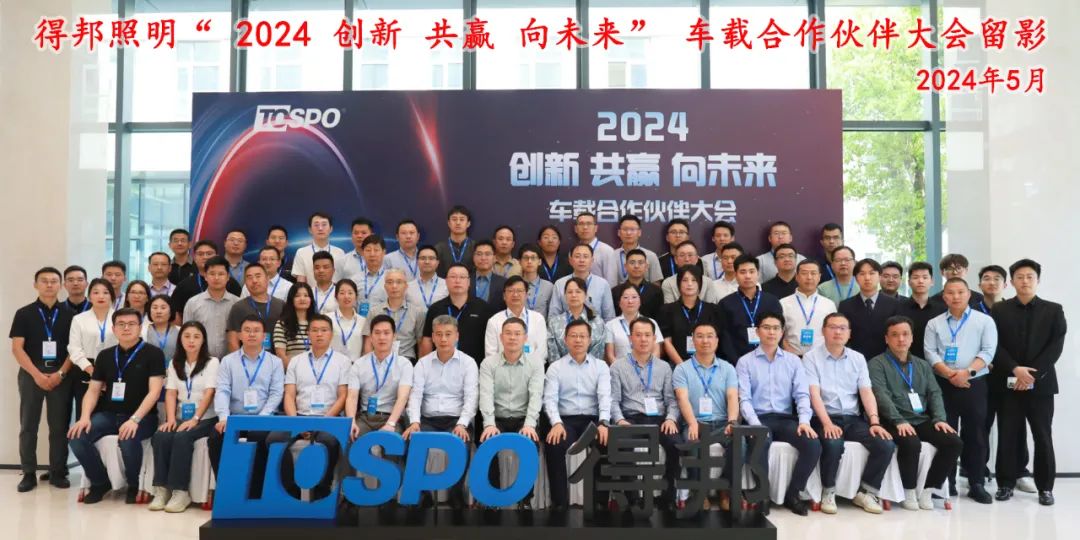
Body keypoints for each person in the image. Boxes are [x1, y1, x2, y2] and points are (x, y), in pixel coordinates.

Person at [68, 308, 165, 504]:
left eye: (131, 324)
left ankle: (133, 484)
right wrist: (84, 417)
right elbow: (93, 390)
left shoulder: (153, 353)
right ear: (114, 329)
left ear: (140, 327)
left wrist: (134, 419)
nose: (126, 328)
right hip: (109, 414)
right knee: (76, 436)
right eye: (121, 324)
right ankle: (99, 482)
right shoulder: (105, 355)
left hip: (143, 417)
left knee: (127, 438)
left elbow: (154, 392)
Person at [991, 259, 1065, 506]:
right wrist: (1015, 369)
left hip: (1041, 385)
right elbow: (994, 345)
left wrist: (1031, 374)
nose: (1025, 281)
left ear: (1038, 280)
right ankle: (1005, 483)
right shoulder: (999, 310)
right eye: (1020, 277)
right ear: (1012, 282)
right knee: (1008, 434)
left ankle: (1045, 488)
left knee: (1043, 436)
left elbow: (1055, 346)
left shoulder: (1053, 310)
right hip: (1008, 382)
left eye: (1030, 276)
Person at [803, 313, 895, 515]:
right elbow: (813, 394)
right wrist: (827, 423)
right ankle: (828, 490)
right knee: (833, 443)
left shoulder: (857, 358)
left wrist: (874, 422)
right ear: (823, 331)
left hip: (853, 418)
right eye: (833, 327)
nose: (838, 332)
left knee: (885, 444)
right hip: (823, 417)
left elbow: (866, 392)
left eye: (843, 328)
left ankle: (866, 492)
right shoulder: (811, 357)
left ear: (849, 333)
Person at [868, 316, 961, 511]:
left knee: (953, 442)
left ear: (912, 338)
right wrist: (898, 420)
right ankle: (908, 491)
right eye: (895, 335)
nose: (901, 339)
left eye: (905, 334)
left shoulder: (922, 365)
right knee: (910, 442)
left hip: (920, 418)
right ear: (886, 339)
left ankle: (928, 489)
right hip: (892, 420)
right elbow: (880, 395)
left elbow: (934, 393)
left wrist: (940, 419)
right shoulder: (877, 364)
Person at [736, 312, 821, 516]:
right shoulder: (745, 362)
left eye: (776, 328)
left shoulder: (793, 361)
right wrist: (755, 424)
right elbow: (744, 399)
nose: (771, 332)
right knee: (761, 441)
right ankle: (762, 494)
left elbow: (802, 394)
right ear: (757, 331)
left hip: (785, 418)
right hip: (757, 417)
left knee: (813, 445)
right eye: (766, 327)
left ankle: (793, 494)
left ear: (782, 332)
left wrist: (804, 421)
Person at [924, 278, 996, 504]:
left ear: (969, 294)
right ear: (944, 296)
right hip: (943, 384)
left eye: (960, 292)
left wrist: (967, 373)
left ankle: (976, 483)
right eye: (950, 293)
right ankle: (947, 483)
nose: (955, 297)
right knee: (946, 433)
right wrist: (950, 374)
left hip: (974, 383)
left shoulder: (984, 321)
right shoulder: (934, 323)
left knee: (976, 434)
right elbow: (930, 352)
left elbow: (988, 351)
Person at [10, 267, 76, 492]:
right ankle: (28, 473)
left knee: (59, 426)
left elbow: (74, 349)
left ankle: (58, 471)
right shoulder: (24, 313)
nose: (49, 285)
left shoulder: (71, 315)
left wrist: (61, 374)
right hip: (32, 375)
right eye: (44, 281)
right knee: (28, 425)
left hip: (61, 375)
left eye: (54, 281)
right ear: (35, 285)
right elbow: (17, 348)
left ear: (61, 285)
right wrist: (37, 375)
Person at [404, 315, 479, 509]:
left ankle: (456, 493)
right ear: (433, 337)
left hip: (456, 420)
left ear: (457, 336)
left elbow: (471, 398)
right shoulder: (422, 363)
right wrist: (414, 422)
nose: (443, 339)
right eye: (439, 334)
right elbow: (415, 396)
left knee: (462, 444)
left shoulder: (468, 363)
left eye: (448, 334)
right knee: (410, 442)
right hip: (427, 419)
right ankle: (423, 493)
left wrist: (462, 424)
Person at [208, 315, 285, 497]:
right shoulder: (228, 361)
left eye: (256, 331)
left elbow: (276, 393)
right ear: (240, 335)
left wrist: (262, 418)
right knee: (216, 437)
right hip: (235, 417)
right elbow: (223, 391)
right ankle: (226, 490)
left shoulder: (275, 362)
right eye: (247, 330)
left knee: (259, 437)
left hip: (264, 418)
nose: (251, 334)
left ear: (264, 336)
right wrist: (223, 418)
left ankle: (255, 493)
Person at [274, 315, 349, 498]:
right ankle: (291, 491)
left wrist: (323, 422)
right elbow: (289, 395)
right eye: (314, 330)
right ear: (308, 334)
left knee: (329, 441)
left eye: (324, 330)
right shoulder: (296, 361)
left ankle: (322, 490)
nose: (319, 334)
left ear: (331, 334)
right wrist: (296, 423)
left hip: (329, 417)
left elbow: (342, 396)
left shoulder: (343, 361)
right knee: (274, 439)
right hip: (299, 415)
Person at [149, 321, 219, 513]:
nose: (191, 341)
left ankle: (180, 491)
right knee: (161, 436)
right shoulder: (175, 363)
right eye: (187, 336)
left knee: (182, 437)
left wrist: (195, 419)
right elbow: (171, 393)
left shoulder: (212, 362)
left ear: (203, 340)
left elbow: (210, 393)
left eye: (196, 337)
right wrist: (171, 419)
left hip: (205, 418)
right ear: (180, 339)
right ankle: (161, 489)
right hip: (180, 417)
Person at [610, 317, 680, 507]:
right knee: (622, 443)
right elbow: (613, 400)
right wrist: (619, 420)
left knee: (676, 444)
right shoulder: (618, 366)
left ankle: (668, 495)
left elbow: (671, 400)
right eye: (638, 335)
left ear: (654, 338)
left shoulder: (664, 367)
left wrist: (671, 419)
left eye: (647, 335)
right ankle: (632, 496)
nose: (643, 339)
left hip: (659, 420)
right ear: (630, 338)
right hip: (631, 419)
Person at [543, 319, 612, 511]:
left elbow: (605, 396)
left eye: (582, 336)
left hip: (593, 420)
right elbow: (550, 399)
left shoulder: (601, 366)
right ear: (565, 340)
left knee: (606, 441)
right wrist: (556, 423)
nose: (578, 340)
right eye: (573, 336)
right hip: (566, 421)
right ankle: (559, 502)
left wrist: (604, 422)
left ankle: (600, 502)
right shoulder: (555, 367)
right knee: (554, 443)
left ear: (590, 340)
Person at [672, 322, 740, 510]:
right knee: (692, 442)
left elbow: (732, 396)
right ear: (692, 341)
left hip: (721, 423)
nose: (705, 340)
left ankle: (725, 488)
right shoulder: (682, 369)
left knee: (740, 443)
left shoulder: (727, 368)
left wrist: (732, 421)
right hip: (696, 423)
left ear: (717, 341)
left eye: (710, 336)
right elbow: (682, 398)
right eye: (700, 336)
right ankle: (698, 492)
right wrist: (692, 423)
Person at [478, 317, 544, 509]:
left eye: (517, 334)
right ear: (501, 337)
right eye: (508, 333)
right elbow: (486, 395)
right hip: (497, 418)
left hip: (523, 419)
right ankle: (492, 497)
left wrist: (530, 424)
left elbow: (536, 396)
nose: (512, 338)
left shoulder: (535, 363)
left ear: (525, 338)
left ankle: (526, 498)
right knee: (487, 441)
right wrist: (489, 424)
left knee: (530, 444)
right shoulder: (488, 363)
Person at [346, 314, 413, 438]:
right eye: (377, 333)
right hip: (365, 418)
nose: (382, 337)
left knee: (391, 441)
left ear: (394, 336)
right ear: (371, 337)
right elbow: (352, 397)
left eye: (386, 333)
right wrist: (351, 422)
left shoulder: (404, 364)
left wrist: (391, 424)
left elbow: (403, 397)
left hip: (391, 417)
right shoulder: (359, 364)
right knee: (351, 437)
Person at [68, 278, 118, 420]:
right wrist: (93, 372)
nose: (101, 296)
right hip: (85, 369)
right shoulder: (79, 319)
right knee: (85, 416)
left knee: (112, 415)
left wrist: (107, 375)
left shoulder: (120, 318)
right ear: (89, 296)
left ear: (112, 296)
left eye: (105, 292)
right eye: (96, 292)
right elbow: (74, 349)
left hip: (115, 369)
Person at [718, 255, 782, 364]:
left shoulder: (772, 301)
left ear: (758, 274)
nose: (747, 276)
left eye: (751, 272)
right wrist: (737, 362)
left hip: (769, 360)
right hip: (737, 361)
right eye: (742, 272)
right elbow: (725, 338)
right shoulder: (725, 304)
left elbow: (778, 331)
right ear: (736, 275)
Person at [420, 264, 489, 362]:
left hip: (474, 365)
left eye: (462, 277)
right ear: (446, 281)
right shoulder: (435, 309)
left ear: (469, 282)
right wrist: (426, 364)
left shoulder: (483, 308)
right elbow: (427, 339)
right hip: (441, 365)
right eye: (453, 277)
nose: (457, 281)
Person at [838, 259, 902, 359]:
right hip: (854, 360)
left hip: (886, 360)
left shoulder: (894, 304)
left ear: (879, 277)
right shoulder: (845, 306)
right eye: (862, 274)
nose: (867, 278)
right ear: (856, 278)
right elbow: (843, 337)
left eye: (872, 273)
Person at [660, 267, 724, 365]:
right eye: (685, 280)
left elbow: (717, 339)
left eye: (694, 280)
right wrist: (682, 366)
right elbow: (667, 342)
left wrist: (704, 363)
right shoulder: (667, 310)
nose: (689, 284)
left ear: (700, 284)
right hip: (677, 364)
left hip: (707, 363)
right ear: (678, 283)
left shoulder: (713, 309)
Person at [363, 269, 426, 361]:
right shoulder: (374, 312)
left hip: (407, 360)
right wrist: (369, 364)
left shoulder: (417, 312)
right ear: (385, 286)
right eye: (390, 282)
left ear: (406, 286)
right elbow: (368, 342)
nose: (394, 286)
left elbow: (421, 343)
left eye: (399, 282)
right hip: (380, 360)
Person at [182, 256, 239, 359]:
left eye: (221, 274)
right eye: (212, 274)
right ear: (205, 276)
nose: (216, 278)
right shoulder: (193, 303)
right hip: (201, 360)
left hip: (230, 361)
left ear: (228, 277)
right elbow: (186, 334)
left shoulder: (237, 303)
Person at [483, 276, 548, 366]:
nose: (515, 294)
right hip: (502, 371)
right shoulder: (494, 321)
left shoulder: (538, 319)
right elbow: (491, 355)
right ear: (504, 296)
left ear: (526, 295)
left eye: (519, 291)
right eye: (510, 291)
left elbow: (542, 352)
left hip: (532, 370)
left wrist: (529, 369)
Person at [780, 259, 837, 356]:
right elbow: (778, 331)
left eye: (813, 273)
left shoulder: (829, 304)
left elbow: (833, 332)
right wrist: (789, 352)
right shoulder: (783, 303)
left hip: (821, 357)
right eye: (804, 273)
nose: (809, 277)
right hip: (791, 357)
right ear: (797, 277)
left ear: (819, 277)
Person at [171, 241, 242, 317]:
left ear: (217, 256)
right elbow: (177, 314)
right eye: (200, 254)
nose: (205, 257)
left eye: (209, 253)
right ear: (194, 258)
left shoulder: (231, 283)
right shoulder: (184, 285)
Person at [548, 243, 616, 322]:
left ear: (592, 260)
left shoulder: (603, 284)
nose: (581, 260)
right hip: (567, 328)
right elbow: (553, 316)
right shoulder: (560, 284)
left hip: (596, 329)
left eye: (585, 256)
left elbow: (609, 317)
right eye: (577, 256)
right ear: (570, 260)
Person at [547, 277, 607, 364]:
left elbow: (598, 353)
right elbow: (553, 355)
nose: (574, 295)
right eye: (570, 292)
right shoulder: (554, 323)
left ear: (585, 295)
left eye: (578, 291)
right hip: (561, 370)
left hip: (591, 370)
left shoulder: (598, 322)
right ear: (565, 296)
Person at [227, 264, 285, 353]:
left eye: (258, 276)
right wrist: (240, 360)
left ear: (267, 279)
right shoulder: (238, 307)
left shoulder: (281, 305)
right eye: (249, 277)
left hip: (276, 359)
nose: (254, 281)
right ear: (245, 283)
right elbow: (233, 341)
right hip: (248, 359)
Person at [900, 262, 946, 361]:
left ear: (932, 281)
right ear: (909, 282)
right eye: (915, 277)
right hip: (906, 362)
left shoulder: (942, 309)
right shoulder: (898, 308)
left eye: (925, 277)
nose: (920, 281)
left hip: (937, 363)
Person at [605, 287, 663, 362]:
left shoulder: (651, 322)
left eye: (634, 297)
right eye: (626, 297)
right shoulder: (610, 325)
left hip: (648, 367)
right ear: (619, 302)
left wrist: (646, 367)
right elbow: (610, 355)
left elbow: (656, 351)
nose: (630, 301)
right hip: (620, 367)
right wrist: (621, 368)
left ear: (640, 302)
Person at [292, 212, 346, 285]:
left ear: (331, 229)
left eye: (324, 224)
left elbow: (342, 281)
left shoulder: (340, 253)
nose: (320, 228)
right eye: (316, 225)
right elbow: (301, 283)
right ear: (310, 229)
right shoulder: (301, 252)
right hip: (310, 292)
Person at [611, 249, 665, 320]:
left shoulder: (656, 291)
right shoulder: (616, 291)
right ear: (625, 266)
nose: (636, 266)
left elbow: (660, 317)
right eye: (632, 263)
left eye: (640, 263)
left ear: (646, 266)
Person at [273, 282, 316, 370]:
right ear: (291, 299)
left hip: (317, 371)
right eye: (297, 296)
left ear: (311, 299)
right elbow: (280, 355)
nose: (302, 298)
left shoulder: (317, 323)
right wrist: (298, 372)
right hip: (292, 372)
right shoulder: (282, 324)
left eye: (306, 295)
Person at [574, 212, 620, 286]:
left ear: (596, 228)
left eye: (589, 224)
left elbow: (611, 283)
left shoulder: (607, 251)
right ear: (576, 229)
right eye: (581, 224)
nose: (585, 227)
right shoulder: (574, 251)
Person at [614, 214, 663, 283]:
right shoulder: (612, 255)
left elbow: (656, 283)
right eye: (625, 229)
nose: (628, 233)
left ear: (639, 232)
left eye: (632, 229)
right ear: (619, 232)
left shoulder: (651, 256)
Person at [348, 235, 389, 317]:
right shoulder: (354, 280)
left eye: (376, 250)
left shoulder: (391, 278)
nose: (372, 254)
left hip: (384, 321)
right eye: (368, 250)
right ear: (363, 253)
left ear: (384, 252)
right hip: (361, 322)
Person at [434, 205, 476, 277]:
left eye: (462, 219)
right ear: (449, 223)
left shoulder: (475, 247)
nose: (458, 223)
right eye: (454, 219)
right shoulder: (439, 248)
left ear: (468, 223)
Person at [330, 279, 365, 358]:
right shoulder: (328, 319)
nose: (346, 296)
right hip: (333, 363)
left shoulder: (363, 321)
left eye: (350, 293)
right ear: (336, 296)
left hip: (356, 364)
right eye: (342, 293)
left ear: (356, 296)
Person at [517, 244, 555, 317]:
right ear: (519, 261)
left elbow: (552, 314)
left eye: (533, 258)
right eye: (526, 258)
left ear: (540, 261)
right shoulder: (514, 285)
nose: (529, 261)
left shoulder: (549, 287)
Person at [470, 240, 507, 307]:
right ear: (473, 257)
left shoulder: (504, 283)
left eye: (487, 254)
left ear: (494, 258)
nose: (483, 258)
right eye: (479, 254)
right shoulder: (466, 280)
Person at [142, 295, 179, 361]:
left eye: (163, 308)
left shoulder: (180, 331)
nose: (158, 311)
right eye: (155, 308)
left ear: (171, 311)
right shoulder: (141, 331)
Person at [340, 217, 375, 282]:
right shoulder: (343, 261)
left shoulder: (382, 260)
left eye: (363, 233)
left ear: (372, 235)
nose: (359, 236)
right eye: (356, 233)